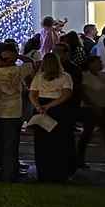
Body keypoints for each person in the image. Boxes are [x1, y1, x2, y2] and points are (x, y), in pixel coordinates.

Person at [0, 43, 35, 181]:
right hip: (13, 114)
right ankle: (9, 175)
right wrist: (18, 56)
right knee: (10, 147)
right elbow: (31, 63)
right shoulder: (17, 71)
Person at [29, 53, 75, 183]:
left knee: (41, 143)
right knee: (60, 143)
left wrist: (39, 107)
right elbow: (66, 94)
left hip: (40, 107)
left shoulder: (38, 78)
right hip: (58, 109)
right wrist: (50, 106)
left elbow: (32, 94)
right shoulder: (65, 77)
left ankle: (43, 173)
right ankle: (59, 173)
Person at [76, 55, 105, 172]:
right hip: (90, 108)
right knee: (87, 134)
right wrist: (94, 105)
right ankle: (79, 158)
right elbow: (85, 93)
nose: (100, 64)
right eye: (97, 62)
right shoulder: (85, 76)